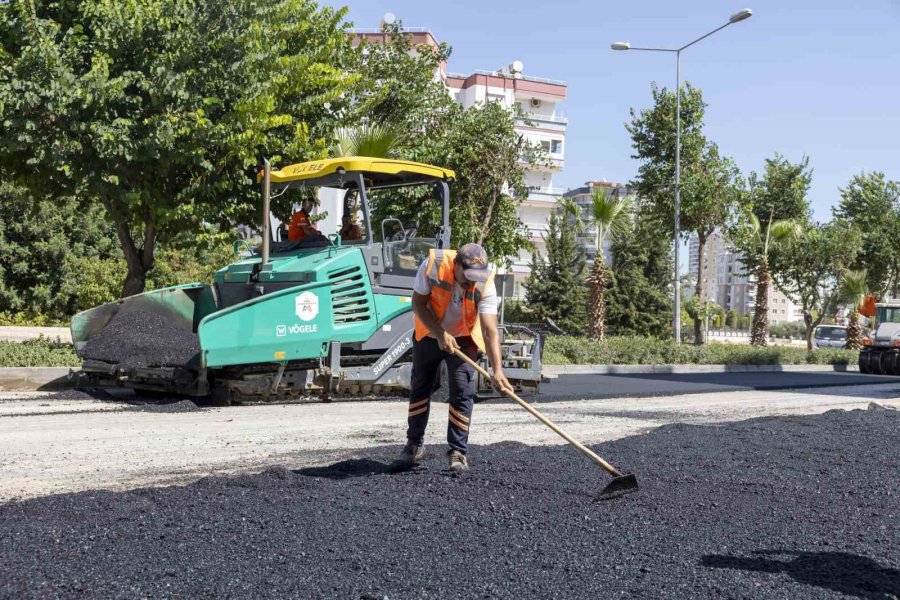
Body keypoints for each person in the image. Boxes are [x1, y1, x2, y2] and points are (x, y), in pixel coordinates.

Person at [389, 243, 513, 473]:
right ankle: (413, 446)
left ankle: (458, 452)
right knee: (420, 387)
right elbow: (418, 304)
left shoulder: (486, 282)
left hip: (464, 337)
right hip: (429, 332)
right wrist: (440, 334)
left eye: (476, 278)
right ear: (456, 265)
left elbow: (489, 330)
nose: (471, 283)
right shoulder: (433, 266)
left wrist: (498, 370)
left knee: (462, 391)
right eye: (467, 277)